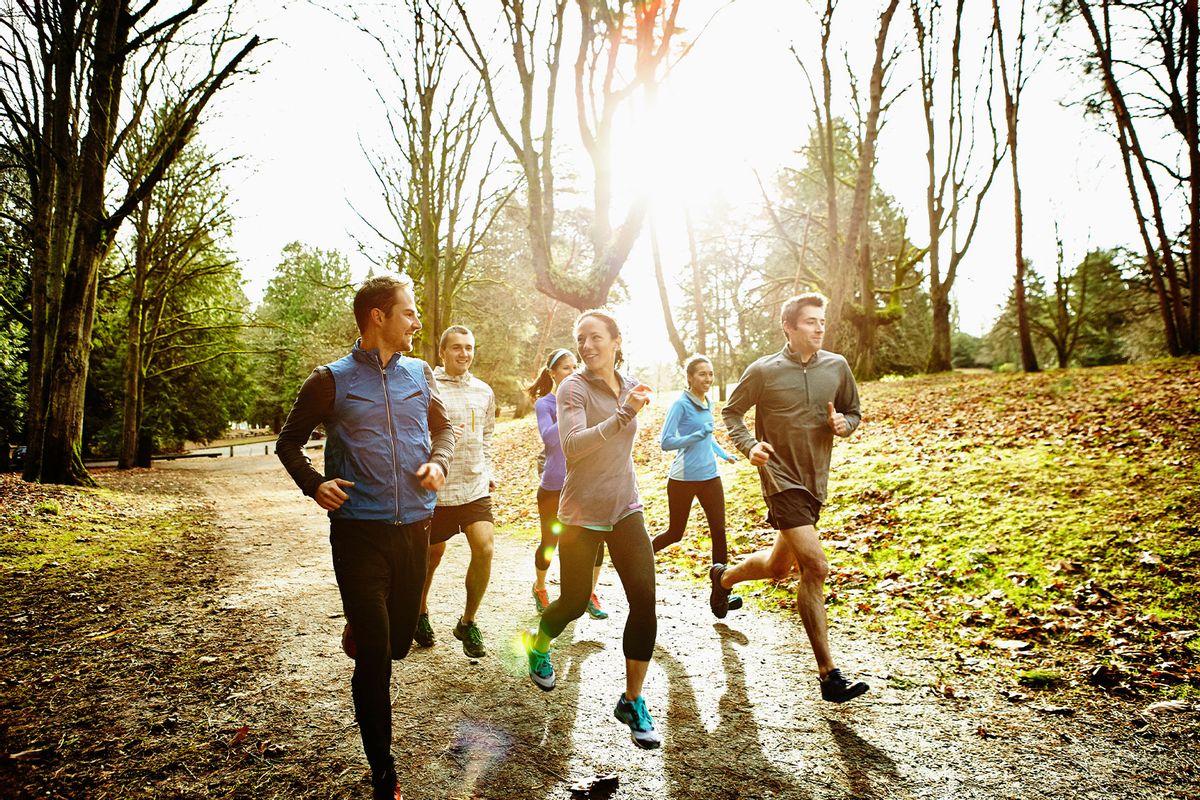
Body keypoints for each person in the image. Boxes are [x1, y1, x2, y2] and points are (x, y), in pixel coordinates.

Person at [276, 273, 454, 800]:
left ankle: (365, 625)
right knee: (377, 659)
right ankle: (384, 770)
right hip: (358, 533)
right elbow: (288, 444)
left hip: (414, 527)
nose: (418, 322)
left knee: (398, 643)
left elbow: (444, 430)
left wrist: (438, 463)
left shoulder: (420, 373)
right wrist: (315, 484)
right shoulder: (329, 380)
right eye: (409, 312)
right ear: (378, 316)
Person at [713, 292, 869, 704]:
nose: (820, 327)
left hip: (815, 480)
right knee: (815, 566)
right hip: (779, 478)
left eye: (822, 321)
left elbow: (854, 412)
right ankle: (828, 674)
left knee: (778, 567)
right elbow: (732, 413)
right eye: (811, 322)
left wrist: (844, 424)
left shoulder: (837, 367)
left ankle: (723, 578)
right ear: (789, 326)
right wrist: (750, 447)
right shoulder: (764, 370)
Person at [522, 310, 662, 750]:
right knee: (576, 603)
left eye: (595, 337)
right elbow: (573, 446)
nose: (587, 346)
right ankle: (539, 643)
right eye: (581, 339)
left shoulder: (630, 382)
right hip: (581, 513)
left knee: (644, 600)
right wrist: (623, 414)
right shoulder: (571, 387)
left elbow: (624, 442)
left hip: (625, 507)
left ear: (616, 341)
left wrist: (629, 410)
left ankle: (632, 699)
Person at [415, 325, 497, 659]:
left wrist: (488, 469)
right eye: (457, 348)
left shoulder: (483, 391)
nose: (464, 354)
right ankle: (419, 613)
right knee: (431, 558)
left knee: (485, 546)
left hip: (475, 486)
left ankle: (468, 621)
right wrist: (442, 437)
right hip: (438, 491)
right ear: (442, 352)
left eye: (469, 348)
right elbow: (414, 434)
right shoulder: (427, 387)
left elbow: (488, 434)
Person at [651, 355, 745, 611]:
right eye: (702, 374)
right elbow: (666, 442)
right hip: (683, 479)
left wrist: (723, 453)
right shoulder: (680, 405)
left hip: (710, 477)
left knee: (719, 533)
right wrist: (694, 436)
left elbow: (708, 437)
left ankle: (721, 596)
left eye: (710, 373)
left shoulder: (707, 401)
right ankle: (639, 560)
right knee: (675, 533)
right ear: (690, 377)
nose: (708, 379)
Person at [527, 348, 608, 620]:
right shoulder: (545, 405)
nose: (572, 372)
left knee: (596, 543)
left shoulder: (586, 400)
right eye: (564, 368)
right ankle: (540, 587)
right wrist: (568, 406)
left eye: (575, 367)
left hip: (585, 483)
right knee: (551, 542)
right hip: (553, 486)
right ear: (552, 373)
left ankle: (588, 594)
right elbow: (550, 440)